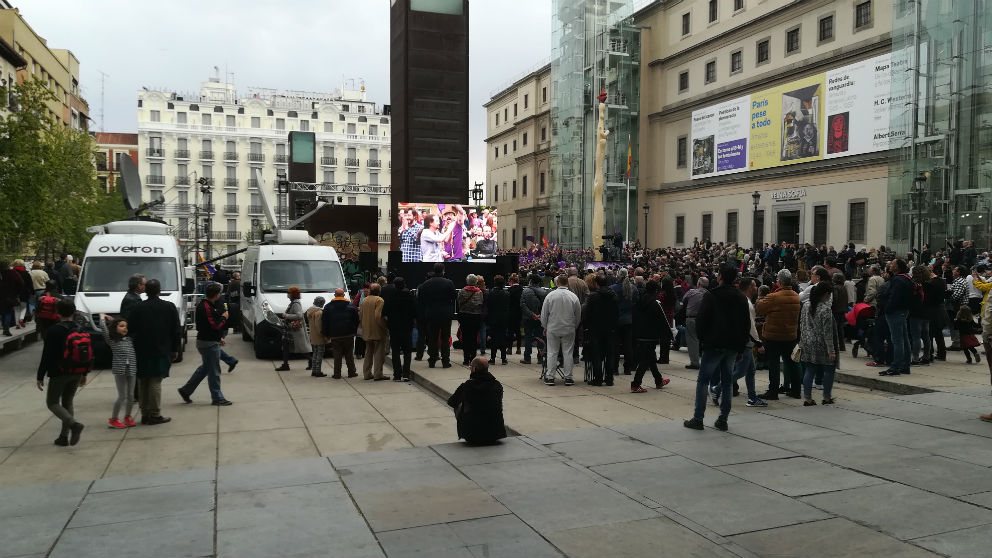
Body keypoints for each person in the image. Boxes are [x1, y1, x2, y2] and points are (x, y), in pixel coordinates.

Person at [684, 263, 750, 431]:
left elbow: (702, 319)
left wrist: (703, 339)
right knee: (727, 382)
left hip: (714, 344)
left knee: (703, 381)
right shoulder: (741, 297)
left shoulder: (712, 295)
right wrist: (741, 347)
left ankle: (698, 418)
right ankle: (723, 419)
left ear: (720, 276)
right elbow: (745, 325)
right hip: (732, 345)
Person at [36, 298, 88, 446]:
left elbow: (47, 355)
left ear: (57, 312)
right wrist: (84, 373)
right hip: (76, 370)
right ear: (74, 311)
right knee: (68, 402)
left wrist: (40, 375)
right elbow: (85, 352)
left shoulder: (54, 330)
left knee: (52, 402)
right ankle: (64, 436)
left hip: (59, 372)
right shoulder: (80, 328)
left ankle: (73, 424)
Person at [127, 279, 178, 424]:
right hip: (161, 349)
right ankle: (154, 414)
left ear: (146, 291)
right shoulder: (169, 307)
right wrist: (175, 349)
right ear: (159, 290)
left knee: (143, 381)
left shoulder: (138, 308)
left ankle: (145, 413)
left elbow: (130, 329)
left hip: (141, 349)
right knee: (155, 380)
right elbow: (175, 330)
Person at [177, 282, 233, 406]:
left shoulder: (206, 305)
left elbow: (209, 327)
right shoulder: (206, 307)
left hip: (207, 341)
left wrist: (218, 338)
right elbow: (215, 325)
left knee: (205, 368)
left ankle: (186, 390)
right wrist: (224, 318)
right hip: (208, 343)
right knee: (214, 371)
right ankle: (217, 397)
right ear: (217, 295)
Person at [756, 269, 802, 400]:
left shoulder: (773, 296)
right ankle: (796, 390)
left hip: (773, 336)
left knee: (774, 364)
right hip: (790, 335)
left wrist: (760, 299)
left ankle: (773, 391)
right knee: (792, 363)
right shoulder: (795, 296)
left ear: (780, 282)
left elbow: (759, 309)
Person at [446, 356, 506, 445]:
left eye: (471, 366)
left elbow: (451, 402)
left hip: (472, 436)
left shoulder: (466, 386)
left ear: (474, 369)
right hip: (495, 434)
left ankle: (466, 429)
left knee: (458, 405)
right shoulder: (497, 385)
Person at [800, 282, 839, 406]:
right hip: (822, 345)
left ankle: (807, 398)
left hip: (807, 342)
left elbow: (802, 324)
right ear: (826, 294)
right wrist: (831, 351)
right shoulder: (825, 309)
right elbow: (827, 332)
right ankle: (826, 397)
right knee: (829, 370)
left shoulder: (806, 305)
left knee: (810, 369)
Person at [96, 313, 138, 429]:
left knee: (131, 395)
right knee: (122, 396)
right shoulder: (112, 340)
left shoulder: (129, 339)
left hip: (132, 369)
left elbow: (130, 329)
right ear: (115, 328)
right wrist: (102, 318)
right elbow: (104, 330)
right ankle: (114, 419)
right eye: (121, 326)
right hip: (120, 370)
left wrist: (116, 320)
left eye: (126, 326)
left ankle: (128, 416)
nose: (125, 328)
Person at [629, 280, 671, 392]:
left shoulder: (639, 301)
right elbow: (663, 320)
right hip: (651, 334)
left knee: (651, 358)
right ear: (656, 290)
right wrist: (667, 334)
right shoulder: (656, 303)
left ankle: (659, 380)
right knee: (645, 360)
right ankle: (636, 384)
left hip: (640, 333)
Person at [540, 275, 582, 386]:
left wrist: (545, 326)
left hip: (553, 327)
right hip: (569, 328)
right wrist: (574, 326)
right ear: (567, 283)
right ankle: (568, 377)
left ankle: (550, 377)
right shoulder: (573, 297)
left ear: (557, 283)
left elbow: (544, 314)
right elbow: (578, 315)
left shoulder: (550, 296)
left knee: (552, 352)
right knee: (568, 353)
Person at [417, 262, 456, 368]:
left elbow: (421, 300)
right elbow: (454, 297)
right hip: (445, 314)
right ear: (443, 270)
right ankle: (445, 361)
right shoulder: (449, 283)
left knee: (432, 338)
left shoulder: (426, 284)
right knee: (445, 338)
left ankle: (432, 360)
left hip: (431, 314)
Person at [879, 259, 913, 376]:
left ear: (897, 267)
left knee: (897, 340)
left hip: (895, 312)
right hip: (904, 311)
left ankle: (895, 366)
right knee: (904, 339)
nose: (890, 265)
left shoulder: (897, 279)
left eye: (893, 264)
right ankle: (905, 365)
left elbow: (894, 297)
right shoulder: (907, 278)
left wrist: (887, 308)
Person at [583, 275, 620, 386]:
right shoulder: (614, 296)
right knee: (610, 354)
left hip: (595, 329)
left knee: (596, 354)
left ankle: (598, 378)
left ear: (597, 284)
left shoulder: (593, 297)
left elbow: (587, 313)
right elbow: (617, 313)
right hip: (610, 329)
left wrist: (587, 326)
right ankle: (609, 378)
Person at [383, 277, 417, 381]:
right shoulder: (409, 296)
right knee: (407, 352)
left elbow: (384, 313)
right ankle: (406, 374)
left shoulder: (390, 297)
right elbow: (415, 311)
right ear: (404, 284)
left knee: (395, 352)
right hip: (407, 327)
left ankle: (397, 374)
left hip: (394, 328)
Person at [321, 288, 360, 378]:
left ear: (335, 295)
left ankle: (337, 373)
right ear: (343, 295)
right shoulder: (351, 306)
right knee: (349, 354)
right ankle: (351, 372)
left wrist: (326, 334)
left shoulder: (328, 307)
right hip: (349, 334)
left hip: (335, 335)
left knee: (337, 355)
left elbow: (324, 322)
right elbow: (356, 320)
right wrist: (354, 330)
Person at [276, 286, 311, 372]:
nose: (287, 294)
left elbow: (299, 315)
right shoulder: (293, 302)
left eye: (289, 292)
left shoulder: (295, 304)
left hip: (295, 330)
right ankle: (285, 364)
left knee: (301, 348)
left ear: (293, 294)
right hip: (291, 330)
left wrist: (286, 315)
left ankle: (311, 361)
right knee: (286, 347)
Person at [359, 283, 388, 380]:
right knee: (379, 353)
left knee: (368, 352)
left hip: (367, 329)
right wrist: (384, 327)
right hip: (377, 330)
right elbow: (378, 316)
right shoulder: (379, 300)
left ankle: (367, 373)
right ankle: (378, 374)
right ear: (379, 291)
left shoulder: (364, 300)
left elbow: (361, 315)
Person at [611, 268, 638, 375]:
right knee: (628, 345)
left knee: (615, 345)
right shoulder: (634, 289)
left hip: (616, 320)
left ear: (618, 276)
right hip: (629, 320)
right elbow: (636, 303)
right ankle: (627, 368)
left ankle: (614, 368)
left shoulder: (612, 288)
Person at [456, 275, 485, 365]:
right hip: (475, 317)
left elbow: (459, 302)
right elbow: (480, 303)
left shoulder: (462, 291)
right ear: (475, 282)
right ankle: (473, 358)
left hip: (464, 316)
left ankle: (465, 359)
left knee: (465, 338)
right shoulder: (479, 292)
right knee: (473, 338)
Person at [519, 273, 547, 364]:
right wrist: (539, 315)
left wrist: (531, 314)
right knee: (540, 338)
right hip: (540, 318)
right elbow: (545, 306)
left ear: (530, 281)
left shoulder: (525, 291)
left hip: (528, 318)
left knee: (528, 338)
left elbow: (523, 305)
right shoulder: (544, 292)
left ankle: (527, 357)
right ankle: (540, 357)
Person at [681, 277, 708, 369]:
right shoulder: (708, 294)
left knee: (692, 341)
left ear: (698, 284)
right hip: (703, 319)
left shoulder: (692, 292)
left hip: (691, 318)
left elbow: (684, 300)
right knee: (703, 341)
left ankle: (695, 362)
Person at [486, 275, 511, 365]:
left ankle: (493, 358)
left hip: (493, 318)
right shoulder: (507, 294)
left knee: (493, 339)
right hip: (503, 319)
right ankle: (503, 358)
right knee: (502, 338)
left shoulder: (490, 293)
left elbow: (488, 306)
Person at [305, 296, 328, 377]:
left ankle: (314, 370)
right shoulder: (319, 313)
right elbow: (319, 327)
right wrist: (324, 336)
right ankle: (318, 371)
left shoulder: (309, 311)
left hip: (313, 336)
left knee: (315, 354)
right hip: (319, 337)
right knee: (320, 355)